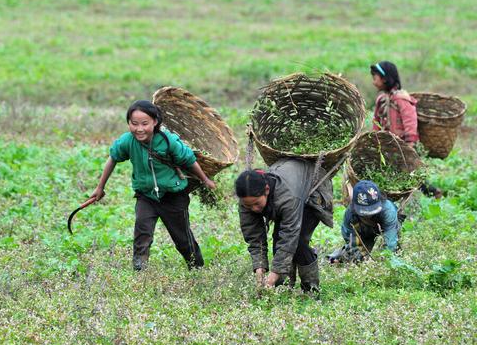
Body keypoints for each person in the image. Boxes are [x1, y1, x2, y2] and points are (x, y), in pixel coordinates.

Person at [90, 100, 216, 271]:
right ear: (129, 123)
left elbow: (189, 160)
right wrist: (100, 187)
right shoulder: (128, 141)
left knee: (182, 237)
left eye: (144, 123)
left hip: (173, 196)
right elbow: (113, 158)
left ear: (155, 122)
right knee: (142, 234)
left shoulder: (168, 141)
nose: (139, 129)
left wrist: (205, 179)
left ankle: (196, 267)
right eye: (134, 124)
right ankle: (140, 269)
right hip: (146, 196)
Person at [235, 159, 333, 292]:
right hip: (290, 185)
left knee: (298, 243)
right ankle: (283, 288)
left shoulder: (288, 197)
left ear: (267, 190)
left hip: (312, 188)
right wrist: (259, 267)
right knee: (278, 240)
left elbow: (289, 236)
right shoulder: (247, 199)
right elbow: (254, 235)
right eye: (248, 205)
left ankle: (311, 289)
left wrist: (274, 274)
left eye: (257, 203)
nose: (254, 209)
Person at [371, 60, 442, 198]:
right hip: (389, 144)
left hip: (403, 143)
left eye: (375, 78)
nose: (373, 82)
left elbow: (410, 120)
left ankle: (431, 192)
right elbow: (376, 121)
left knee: (409, 172)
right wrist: (375, 138)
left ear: (385, 79)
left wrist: (410, 141)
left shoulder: (400, 98)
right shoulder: (381, 99)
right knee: (398, 171)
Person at [329, 180, 400, 263]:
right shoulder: (350, 215)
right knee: (353, 257)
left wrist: (383, 262)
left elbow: (390, 242)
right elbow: (352, 242)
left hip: (385, 226)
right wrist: (364, 260)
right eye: (365, 211)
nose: (368, 214)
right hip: (363, 230)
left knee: (394, 253)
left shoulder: (388, 210)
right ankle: (336, 257)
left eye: (372, 210)